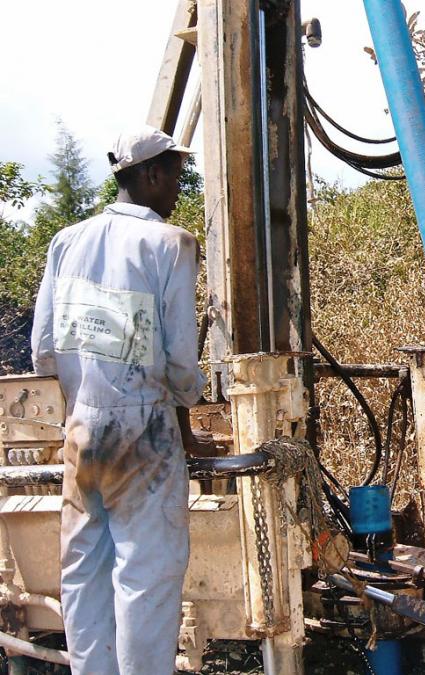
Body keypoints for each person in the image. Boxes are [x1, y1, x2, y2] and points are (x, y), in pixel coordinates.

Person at [31, 125, 212, 675]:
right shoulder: (171, 244)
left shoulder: (67, 241)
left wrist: (88, 386)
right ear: (150, 174)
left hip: (81, 430)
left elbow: (43, 350)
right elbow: (180, 363)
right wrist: (187, 411)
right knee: (146, 576)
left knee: (84, 572)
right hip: (145, 434)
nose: (178, 187)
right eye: (175, 175)